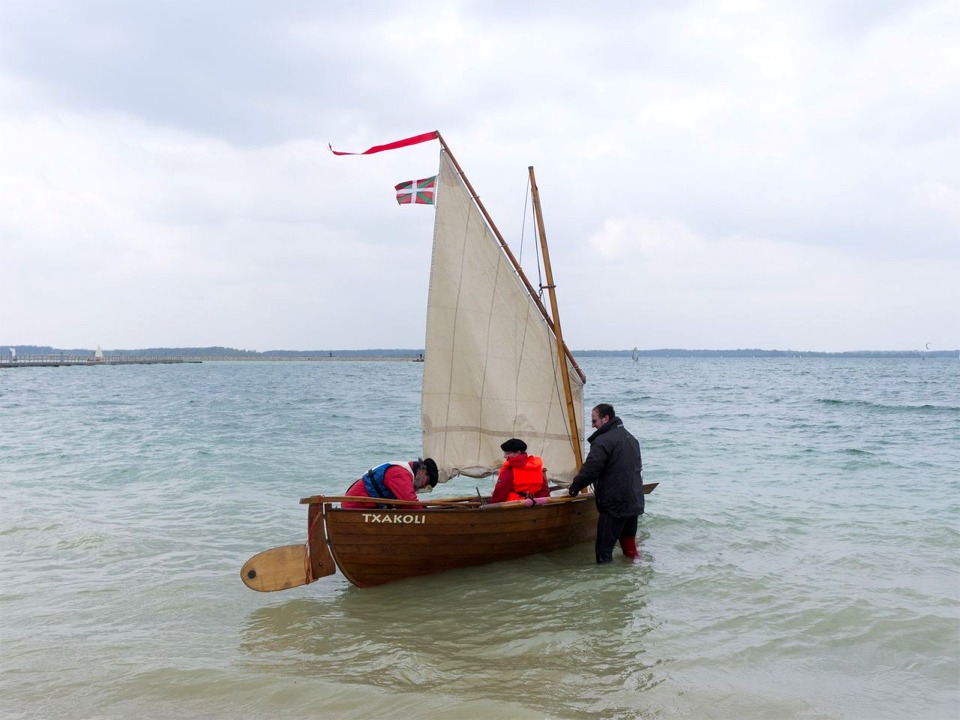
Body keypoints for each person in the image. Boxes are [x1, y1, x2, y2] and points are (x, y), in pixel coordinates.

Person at [568, 403, 644, 563]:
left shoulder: (603, 441)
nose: (592, 425)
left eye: (594, 421)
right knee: (630, 549)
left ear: (606, 418)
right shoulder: (632, 438)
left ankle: (606, 584)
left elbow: (591, 469)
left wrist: (575, 487)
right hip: (634, 501)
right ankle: (633, 579)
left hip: (614, 504)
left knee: (603, 552)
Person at [342, 458, 439, 509]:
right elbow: (410, 504)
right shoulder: (401, 474)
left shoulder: (405, 473)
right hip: (355, 507)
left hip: (366, 507)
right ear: (422, 472)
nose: (425, 486)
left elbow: (405, 504)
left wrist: (423, 507)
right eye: (427, 482)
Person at [490, 438, 550, 503]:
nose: (505, 456)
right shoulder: (536, 467)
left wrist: (492, 505)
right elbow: (544, 490)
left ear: (518, 452)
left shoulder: (510, 469)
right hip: (532, 504)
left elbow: (500, 492)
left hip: (513, 505)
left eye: (508, 453)